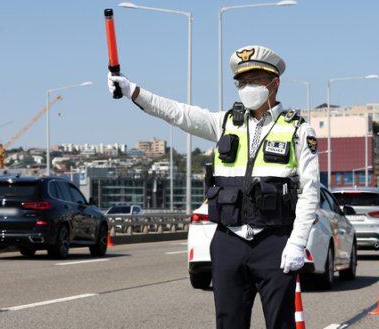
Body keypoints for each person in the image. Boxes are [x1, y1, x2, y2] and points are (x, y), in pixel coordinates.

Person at [108, 45, 319, 329]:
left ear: (274, 82)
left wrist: (297, 242)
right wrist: (133, 90)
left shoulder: (298, 130)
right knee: (228, 322)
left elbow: (310, 192)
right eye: (242, 82)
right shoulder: (224, 123)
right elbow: (176, 113)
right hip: (228, 240)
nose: (247, 87)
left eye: (255, 80)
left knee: (280, 323)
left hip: (275, 241)